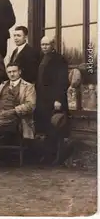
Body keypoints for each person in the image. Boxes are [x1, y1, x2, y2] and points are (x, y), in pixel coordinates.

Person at [35, 36, 69, 164]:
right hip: (42, 98)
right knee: (45, 127)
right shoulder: (41, 57)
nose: (44, 47)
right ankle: (46, 155)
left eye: (47, 44)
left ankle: (56, 157)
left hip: (54, 99)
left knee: (55, 126)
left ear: (53, 45)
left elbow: (62, 81)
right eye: (42, 44)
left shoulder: (59, 59)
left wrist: (58, 99)